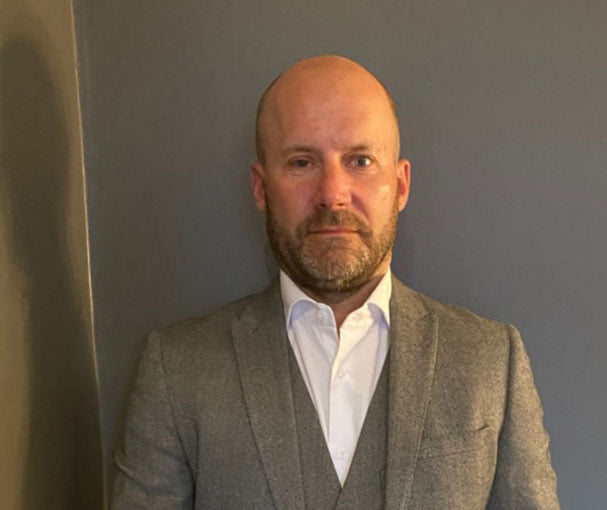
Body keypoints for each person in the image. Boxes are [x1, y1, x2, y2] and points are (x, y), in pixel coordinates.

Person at [112, 55, 559, 509]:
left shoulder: (490, 360)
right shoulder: (177, 369)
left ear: (400, 185)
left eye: (360, 160)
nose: (332, 194)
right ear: (262, 188)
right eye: (302, 162)